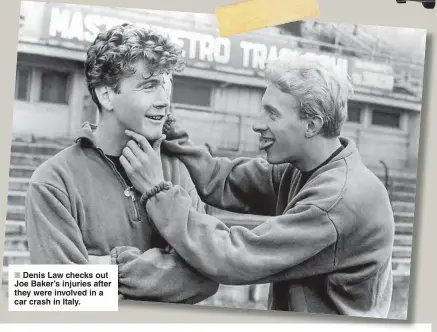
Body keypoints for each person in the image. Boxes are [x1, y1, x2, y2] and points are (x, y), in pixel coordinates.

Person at [119, 54, 395, 317]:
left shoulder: (338, 200)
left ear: (312, 124)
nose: (256, 124)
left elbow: (231, 258)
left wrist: (157, 191)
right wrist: (166, 122)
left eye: (272, 114)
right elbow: (221, 179)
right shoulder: (306, 168)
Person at [25, 23, 218, 304]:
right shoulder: (53, 181)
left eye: (165, 85)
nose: (164, 100)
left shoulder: (178, 169)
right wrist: (165, 273)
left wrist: (107, 268)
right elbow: (60, 295)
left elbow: (207, 274)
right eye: (149, 85)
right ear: (106, 95)